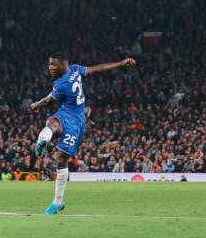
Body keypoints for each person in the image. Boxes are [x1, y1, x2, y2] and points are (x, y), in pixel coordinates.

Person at [31, 51, 136, 215]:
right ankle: (44, 138)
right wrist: (121, 63)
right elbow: (99, 68)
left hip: (76, 122)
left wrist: (35, 105)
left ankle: (58, 201)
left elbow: (47, 101)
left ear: (63, 64)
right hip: (67, 113)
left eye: (53, 64)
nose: (50, 67)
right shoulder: (75, 69)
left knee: (60, 159)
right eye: (49, 63)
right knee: (52, 123)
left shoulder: (61, 84)